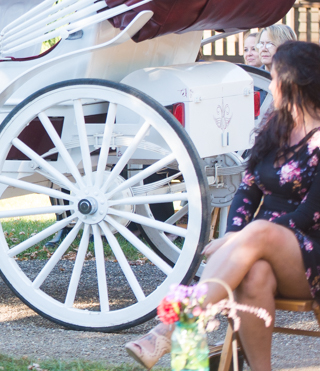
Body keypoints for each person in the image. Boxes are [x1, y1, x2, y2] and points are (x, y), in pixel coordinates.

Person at [125, 41, 320, 371]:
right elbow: (247, 189)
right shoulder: (276, 127)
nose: (270, 84)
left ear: (293, 82)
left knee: (258, 230)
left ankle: (168, 327)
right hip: (262, 250)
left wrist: (237, 239)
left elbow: (307, 216)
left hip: (308, 252)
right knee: (254, 274)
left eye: (274, 76)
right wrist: (236, 234)